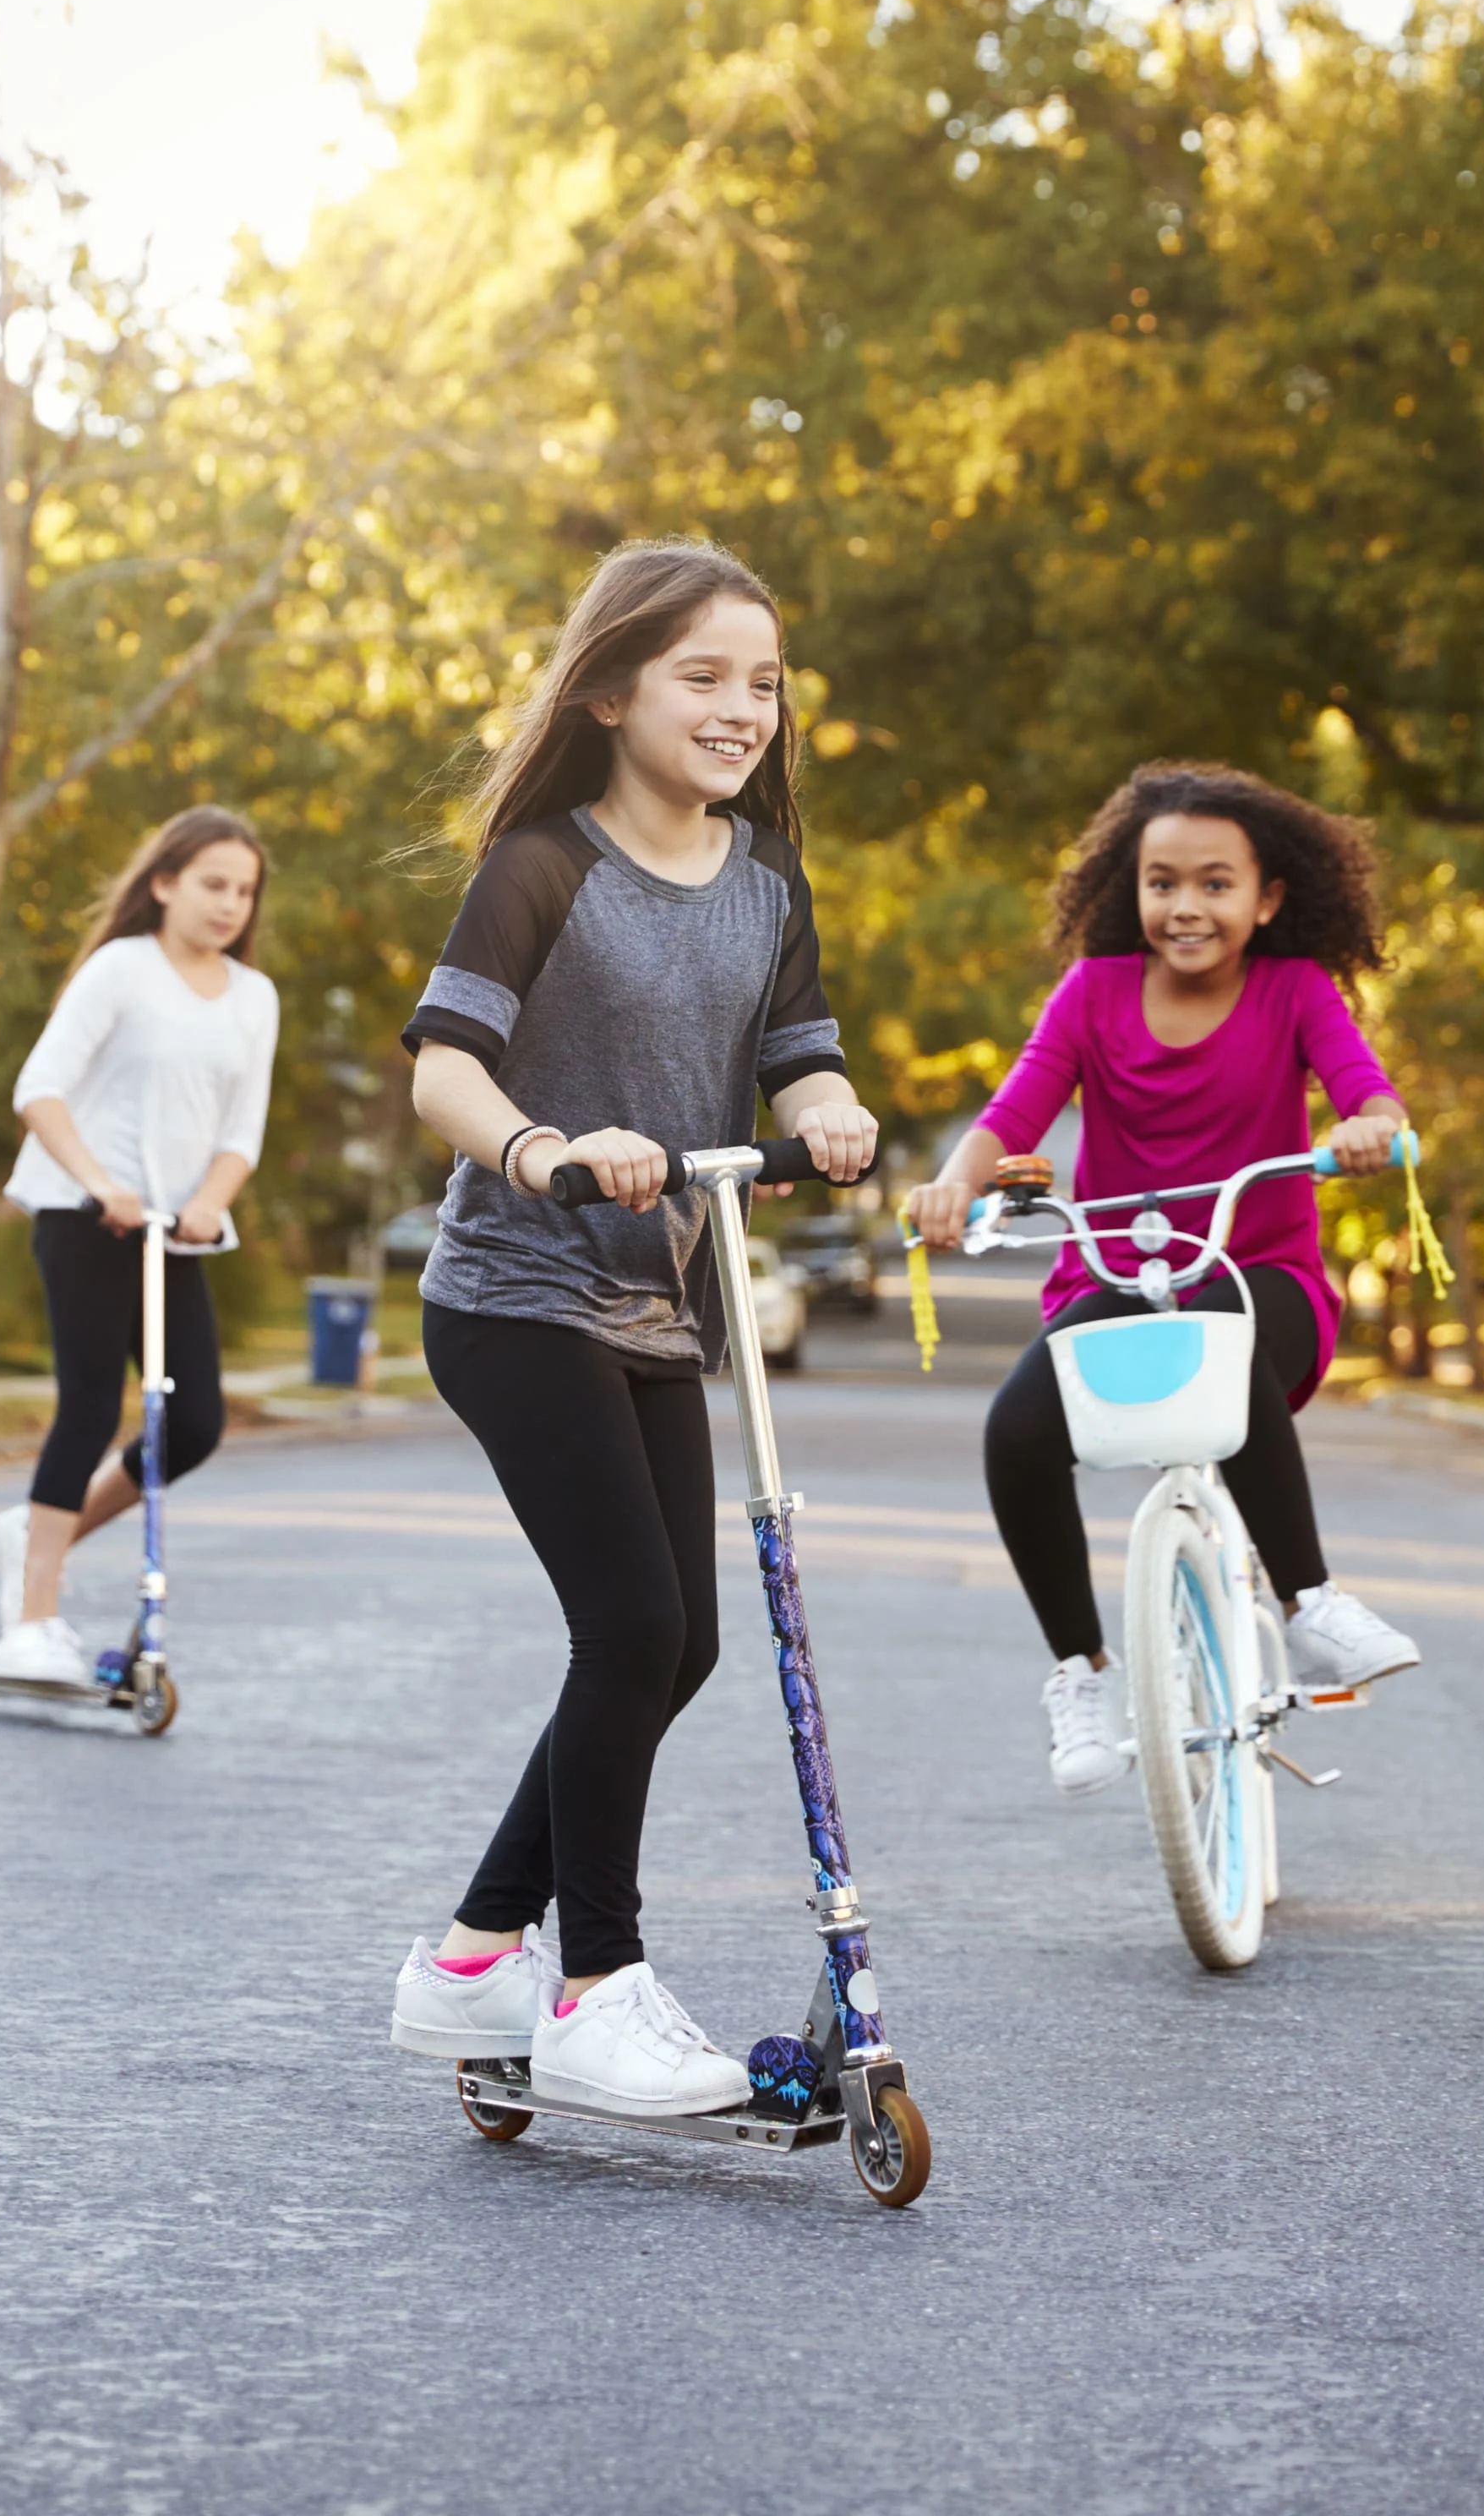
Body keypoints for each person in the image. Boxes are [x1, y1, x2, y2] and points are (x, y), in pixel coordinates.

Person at [379, 538, 878, 2119]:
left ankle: (472, 1959)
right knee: (634, 1630)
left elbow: (798, 1062)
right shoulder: (544, 867)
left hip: (660, 1299)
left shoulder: (769, 884)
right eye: (706, 677)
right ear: (608, 691)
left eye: (766, 683)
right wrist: (543, 1149)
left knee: (683, 1642)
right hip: (516, 1295)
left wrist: (837, 1109)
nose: (744, 709)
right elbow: (443, 1071)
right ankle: (595, 1981)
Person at [903, 761, 1425, 1797]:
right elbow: (1010, 1117)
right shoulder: (1093, 994)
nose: (1186, 906)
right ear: (1129, 890)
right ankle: (1081, 1671)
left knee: (1224, 1330)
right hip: (1118, 1274)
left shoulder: (1295, 992)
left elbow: (1371, 1093)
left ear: (1267, 897)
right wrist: (951, 1186)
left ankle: (1310, 1601)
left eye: (1216, 883)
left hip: (1260, 1276)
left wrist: (1371, 1131)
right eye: (1163, 882)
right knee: (1015, 1430)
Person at [0, 806, 278, 1687]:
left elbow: (242, 1133)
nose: (230, 904)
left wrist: (206, 1203)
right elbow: (40, 1089)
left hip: (172, 1231)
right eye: (212, 884)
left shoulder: (253, 997)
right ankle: (31, 1620)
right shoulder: (122, 969)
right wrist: (98, 1183)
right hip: (84, 1215)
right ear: (164, 883)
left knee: (192, 1424)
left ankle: (40, 1527)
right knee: (90, 1405)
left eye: (244, 890)